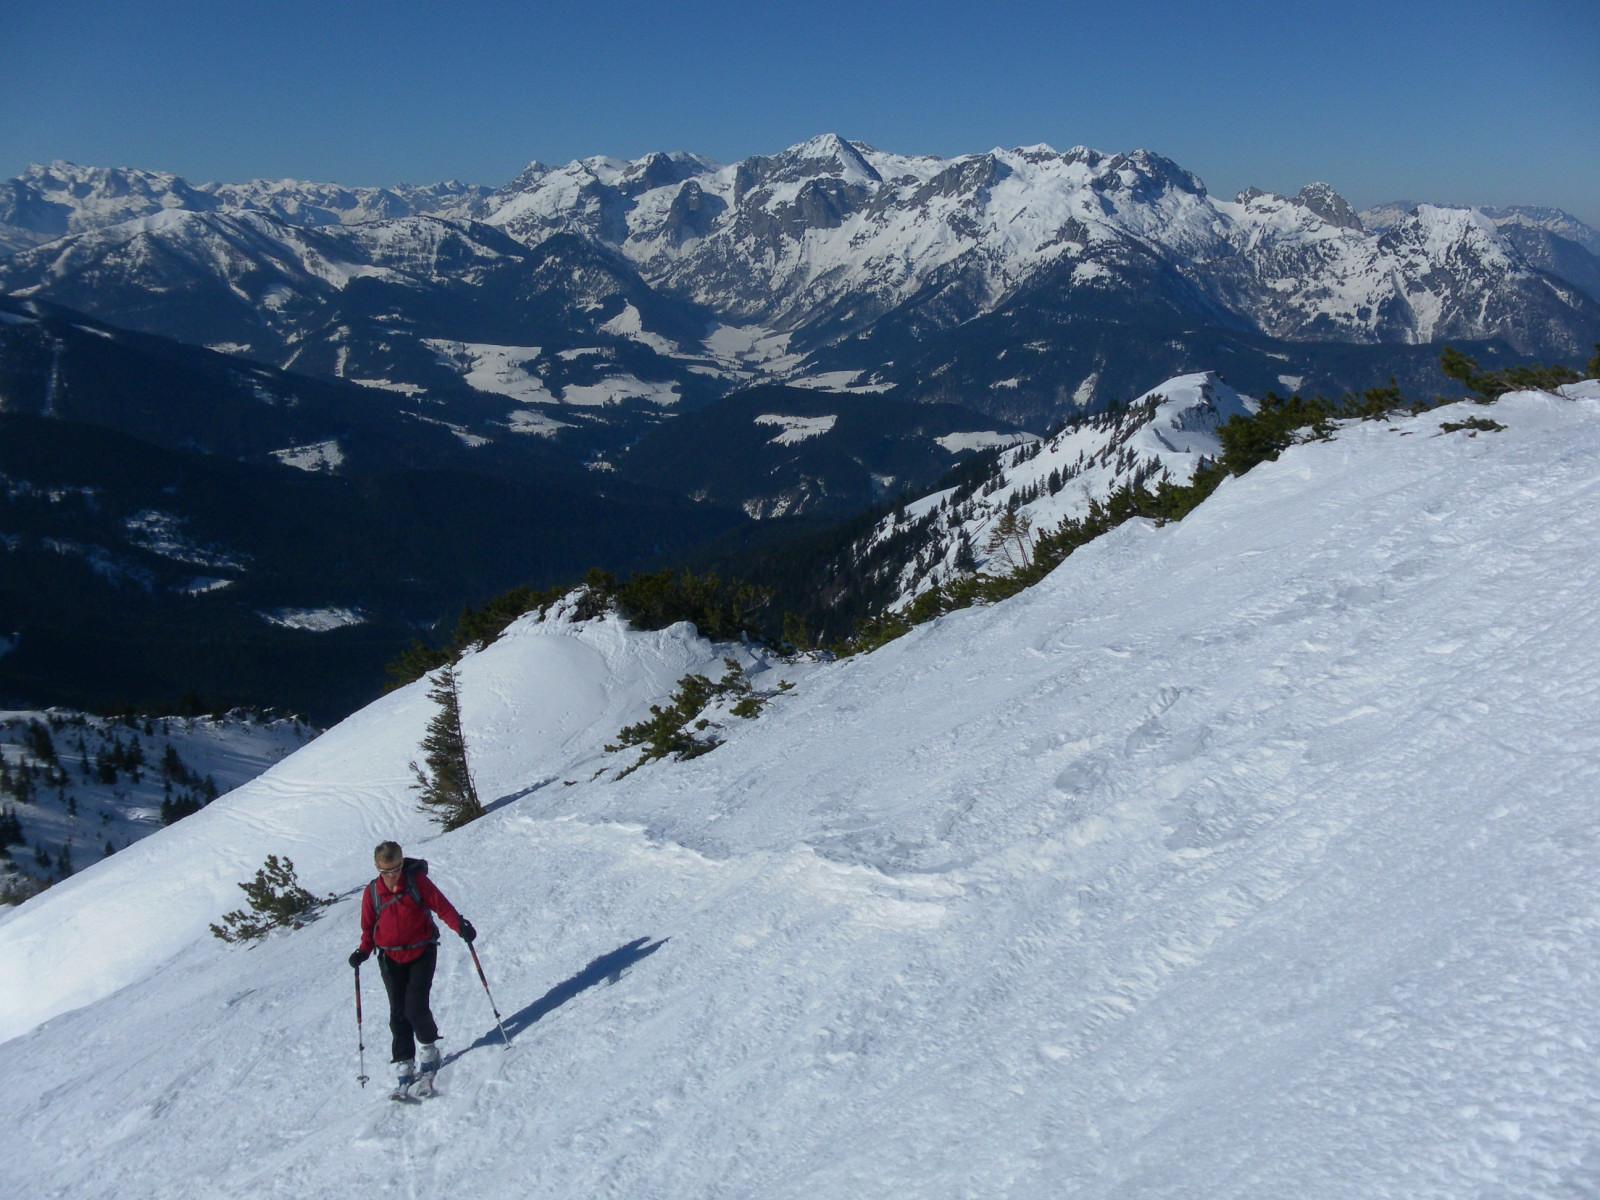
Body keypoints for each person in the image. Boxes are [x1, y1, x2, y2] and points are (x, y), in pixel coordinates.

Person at [348, 841, 476, 1097]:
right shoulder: (373, 892)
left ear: (402, 862)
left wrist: (460, 926)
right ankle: (404, 1060)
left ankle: (429, 1049)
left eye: (395, 869)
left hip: (422, 951)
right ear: (377, 867)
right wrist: (363, 951)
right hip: (390, 957)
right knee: (398, 1012)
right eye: (385, 871)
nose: (391, 875)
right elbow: (368, 926)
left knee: (415, 1007)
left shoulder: (417, 882)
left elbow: (442, 906)